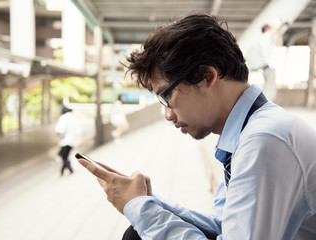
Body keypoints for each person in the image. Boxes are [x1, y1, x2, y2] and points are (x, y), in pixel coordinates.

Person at [78, 13, 316, 239]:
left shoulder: (265, 140)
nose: (167, 114)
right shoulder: (251, 131)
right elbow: (222, 224)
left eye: (166, 97)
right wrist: (147, 201)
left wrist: (139, 208)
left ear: (206, 76)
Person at [259, 22, 288, 101]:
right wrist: (282, 24)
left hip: (265, 68)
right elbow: (275, 31)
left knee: (267, 87)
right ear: (267, 29)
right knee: (271, 90)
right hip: (270, 67)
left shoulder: (262, 39)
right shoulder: (267, 36)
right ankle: (267, 106)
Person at [55, 106, 82, 176]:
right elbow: (79, 131)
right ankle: (63, 171)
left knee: (64, 157)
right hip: (72, 141)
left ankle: (70, 170)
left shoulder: (63, 117)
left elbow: (60, 130)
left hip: (65, 141)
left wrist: (60, 135)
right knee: (65, 156)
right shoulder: (74, 117)